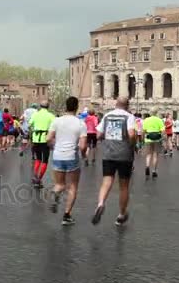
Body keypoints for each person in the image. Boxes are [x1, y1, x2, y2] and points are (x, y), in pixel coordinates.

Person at [91, 97, 135, 227]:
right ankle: (121, 215)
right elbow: (131, 134)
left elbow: (98, 135)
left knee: (106, 181)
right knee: (124, 186)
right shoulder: (129, 117)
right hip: (124, 154)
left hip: (108, 153)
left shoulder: (107, 116)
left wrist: (106, 137)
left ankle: (100, 204)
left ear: (116, 104)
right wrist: (133, 145)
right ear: (127, 105)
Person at [46, 96, 87, 226]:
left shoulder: (56, 121)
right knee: (73, 186)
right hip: (72, 156)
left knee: (60, 184)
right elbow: (82, 146)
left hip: (58, 155)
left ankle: (55, 193)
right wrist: (83, 155)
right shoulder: (81, 123)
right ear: (76, 107)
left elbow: (48, 139)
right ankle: (67, 215)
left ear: (66, 106)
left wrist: (54, 147)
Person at [28, 100, 55, 187]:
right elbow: (55, 126)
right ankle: (39, 179)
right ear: (48, 107)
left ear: (40, 106)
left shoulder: (35, 114)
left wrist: (34, 129)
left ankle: (35, 176)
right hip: (45, 139)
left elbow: (29, 124)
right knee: (45, 160)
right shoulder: (51, 116)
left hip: (36, 138)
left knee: (38, 159)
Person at [143, 108, 164, 179]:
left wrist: (144, 138)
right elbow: (163, 131)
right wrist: (162, 138)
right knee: (155, 155)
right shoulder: (159, 120)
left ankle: (147, 166)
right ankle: (154, 171)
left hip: (148, 139)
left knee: (148, 154)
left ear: (150, 113)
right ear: (156, 113)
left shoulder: (146, 120)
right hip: (157, 139)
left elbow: (144, 130)